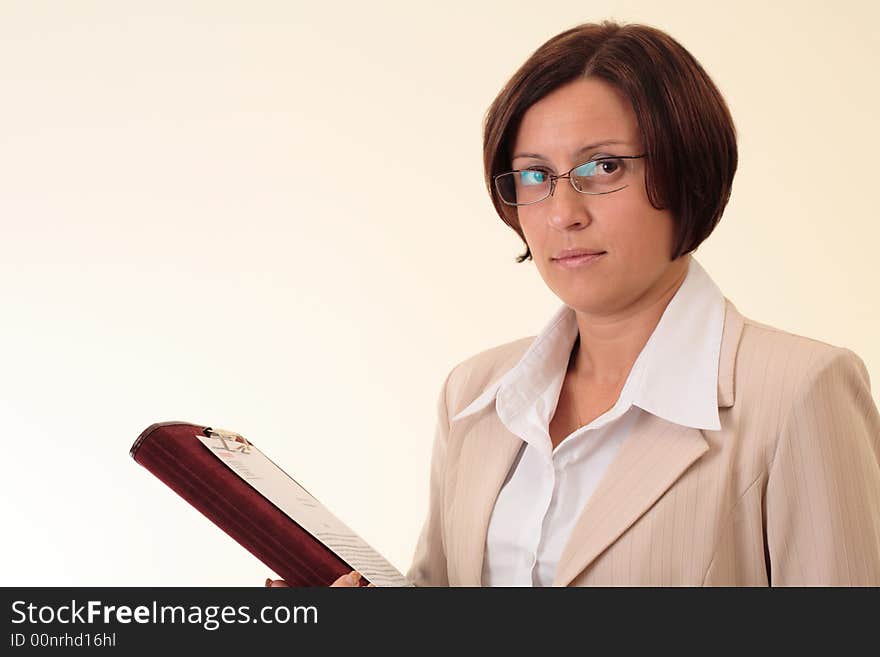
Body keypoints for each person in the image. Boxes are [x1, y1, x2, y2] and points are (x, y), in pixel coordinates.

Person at [269, 20, 880, 587]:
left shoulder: (800, 391)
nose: (564, 212)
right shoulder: (475, 396)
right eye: (535, 175)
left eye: (603, 166)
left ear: (688, 169)